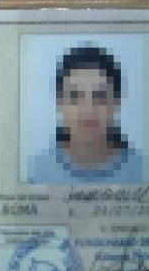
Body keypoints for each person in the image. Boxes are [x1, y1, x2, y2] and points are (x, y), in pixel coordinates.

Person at [28, 45, 142, 183]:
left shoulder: (141, 170)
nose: (88, 109)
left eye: (100, 96)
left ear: (116, 102)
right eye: (75, 96)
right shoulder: (38, 171)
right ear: (60, 102)